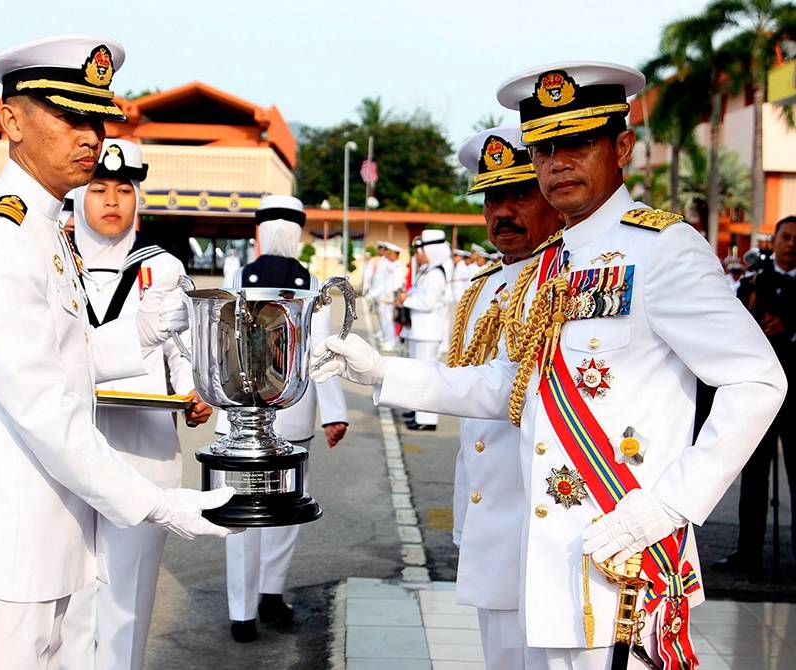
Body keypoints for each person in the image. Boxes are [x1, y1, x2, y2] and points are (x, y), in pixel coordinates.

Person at [312, 61, 785, 669]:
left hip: (624, 565)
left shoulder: (663, 250)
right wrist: (382, 371)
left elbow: (758, 379)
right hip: (547, 570)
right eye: (544, 147)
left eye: (577, 143)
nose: (557, 162)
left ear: (621, 147)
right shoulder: (549, 264)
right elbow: (509, 386)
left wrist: (672, 503)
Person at [0, 36, 233, 668]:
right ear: (11, 120)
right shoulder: (1, 238)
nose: (89, 136)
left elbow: (66, 354)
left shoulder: (42, 222)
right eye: (68, 116)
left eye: (96, 118)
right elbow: (41, 405)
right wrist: (158, 502)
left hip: (49, 541)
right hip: (2, 553)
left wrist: (140, 333)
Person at [58, 139, 213, 670]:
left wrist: (194, 392)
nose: (111, 200)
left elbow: (180, 343)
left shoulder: (163, 265)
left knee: (127, 594)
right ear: (79, 194)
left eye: (124, 190)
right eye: (98, 188)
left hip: (144, 438)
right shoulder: (55, 259)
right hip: (69, 437)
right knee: (69, 584)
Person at [445, 126, 565, 669]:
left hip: (550, 524)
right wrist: (464, 519)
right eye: (493, 198)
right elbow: (472, 426)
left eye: (520, 194)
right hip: (490, 520)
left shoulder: (572, 279)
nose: (503, 212)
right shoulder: (480, 291)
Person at [217, 195, 349, 642]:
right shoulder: (313, 283)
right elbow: (321, 352)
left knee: (239, 514)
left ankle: (242, 613)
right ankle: (272, 593)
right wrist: (334, 413)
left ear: (260, 230)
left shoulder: (237, 276)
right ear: (297, 231)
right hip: (292, 413)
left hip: (238, 413)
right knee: (286, 509)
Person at [714, 216, 796, 577]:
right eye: (786, 237)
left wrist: (789, 329)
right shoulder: (752, 281)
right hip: (758, 392)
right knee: (754, 476)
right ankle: (748, 552)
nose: (791, 244)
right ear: (774, 240)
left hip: (795, 394)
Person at [399, 229, 451, 431]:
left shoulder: (436, 275)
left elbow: (428, 302)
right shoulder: (427, 272)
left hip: (428, 333)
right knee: (417, 374)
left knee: (427, 376)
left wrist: (406, 300)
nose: (417, 255)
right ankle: (418, 411)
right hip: (419, 331)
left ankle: (427, 419)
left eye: (421, 250)